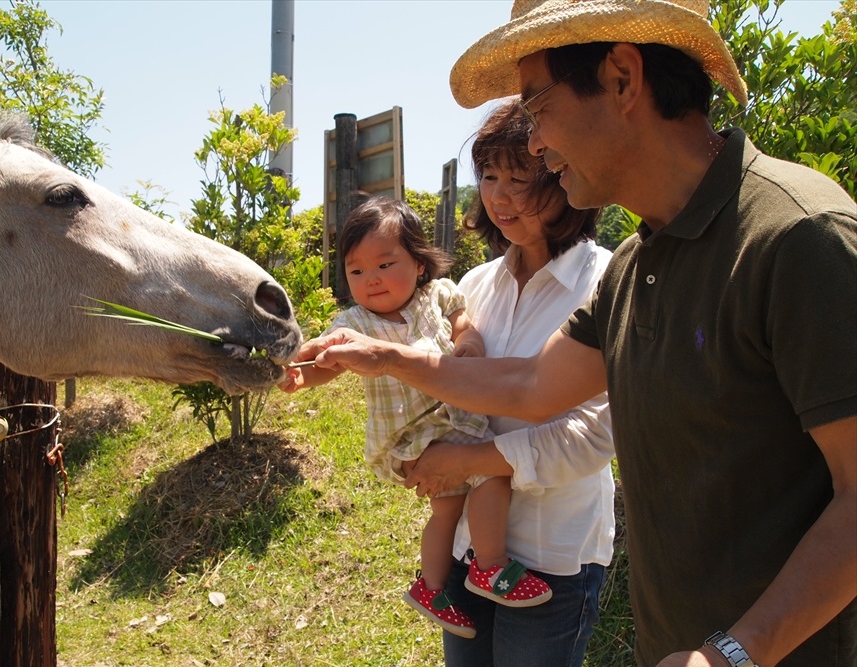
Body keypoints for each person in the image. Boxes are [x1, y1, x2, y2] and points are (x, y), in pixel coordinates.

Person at [295, 2, 857, 667]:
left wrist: (734, 652)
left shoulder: (797, 237)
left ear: (621, 77)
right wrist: (381, 353)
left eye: (539, 108)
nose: (533, 144)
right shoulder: (636, 268)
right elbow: (531, 385)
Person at [279, 195, 552, 640]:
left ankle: (431, 587)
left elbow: (464, 324)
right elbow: (324, 362)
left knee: (446, 510)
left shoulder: (438, 295)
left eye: (385, 264)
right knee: (490, 476)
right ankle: (491, 567)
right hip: (410, 436)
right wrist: (300, 377)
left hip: (453, 423)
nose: (372, 280)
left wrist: (469, 347)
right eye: (357, 270)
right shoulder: (356, 321)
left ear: (420, 265)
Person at [427, 98, 616, 667]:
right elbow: (445, 400)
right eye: (488, 176)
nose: (499, 196)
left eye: (520, 178)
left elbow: (597, 434)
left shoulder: (603, 280)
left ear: (564, 177)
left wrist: (474, 460)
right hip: (467, 548)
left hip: (554, 553)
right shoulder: (474, 287)